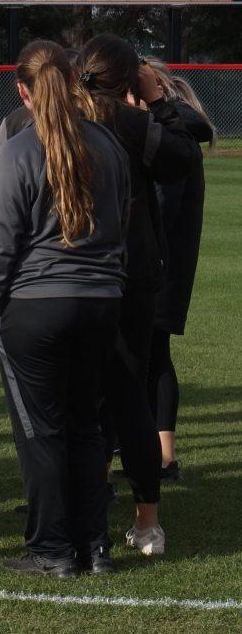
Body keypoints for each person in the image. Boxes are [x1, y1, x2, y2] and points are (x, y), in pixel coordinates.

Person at [0, 40, 130, 577]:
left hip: (37, 305)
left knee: (40, 432)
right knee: (87, 426)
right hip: (100, 303)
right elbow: (122, 226)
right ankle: (95, 546)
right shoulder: (108, 144)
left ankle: (52, 550)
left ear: (23, 90)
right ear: (72, 81)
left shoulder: (19, 150)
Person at [77, 34, 199, 559]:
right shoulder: (134, 124)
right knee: (129, 400)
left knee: (82, 401)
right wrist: (157, 99)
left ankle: (78, 515)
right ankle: (145, 522)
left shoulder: (44, 121)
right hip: (129, 276)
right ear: (128, 80)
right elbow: (186, 149)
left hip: (70, 274)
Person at [140, 57, 215, 481]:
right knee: (155, 354)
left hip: (156, 264)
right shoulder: (180, 128)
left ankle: (161, 456)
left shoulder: (170, 133)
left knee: (144, 355)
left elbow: (163, 207)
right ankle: (163, 454)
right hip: (169, 263)